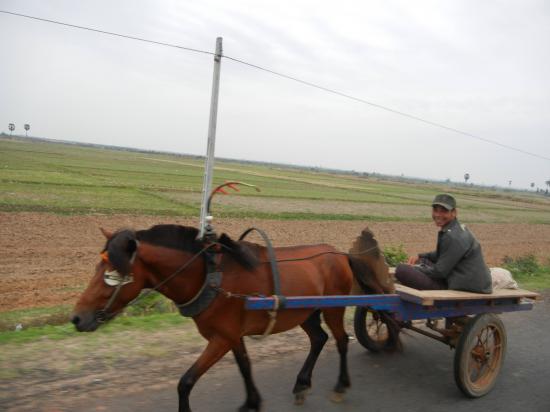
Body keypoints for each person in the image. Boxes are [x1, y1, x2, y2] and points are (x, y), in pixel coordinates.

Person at [395, 194, 492, 293]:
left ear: (454, 213)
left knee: (401, 270)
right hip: (463, 279)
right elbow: (441, 254)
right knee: (421, 260)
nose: (438, 215)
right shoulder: (455, 228)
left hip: (465, 288)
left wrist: (416, 269)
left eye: (443, 211)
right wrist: (419, 256)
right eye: (435, 210)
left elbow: (440, 272)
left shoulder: (453, 237)